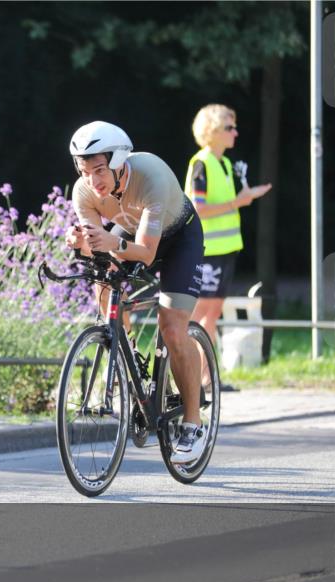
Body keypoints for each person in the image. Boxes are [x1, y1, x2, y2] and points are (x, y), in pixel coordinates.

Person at [64, 121, 206, 464]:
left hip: (178, 240)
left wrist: (111, 243)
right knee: (102, 281)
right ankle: (124, 352)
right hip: (131, 235)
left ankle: (193, 423)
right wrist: (82, 244)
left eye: (100, 170)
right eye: (85, 171)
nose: (93, 181)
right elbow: (98, 249)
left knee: (172, 328)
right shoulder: (84, 192)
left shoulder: (152, 175)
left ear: (118, 162)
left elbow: (145, 253)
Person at [184, 104, 271, 387]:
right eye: (229, 127)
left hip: (225, 251)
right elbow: (198, 208)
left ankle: (207, 379)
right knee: (199, 317)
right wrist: (238, 202)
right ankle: (189, 377)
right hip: (208, 252)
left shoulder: (222, 163)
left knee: (212, 316)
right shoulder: (201, 163)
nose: (235, 132)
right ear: (212, 131)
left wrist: (245, 197)